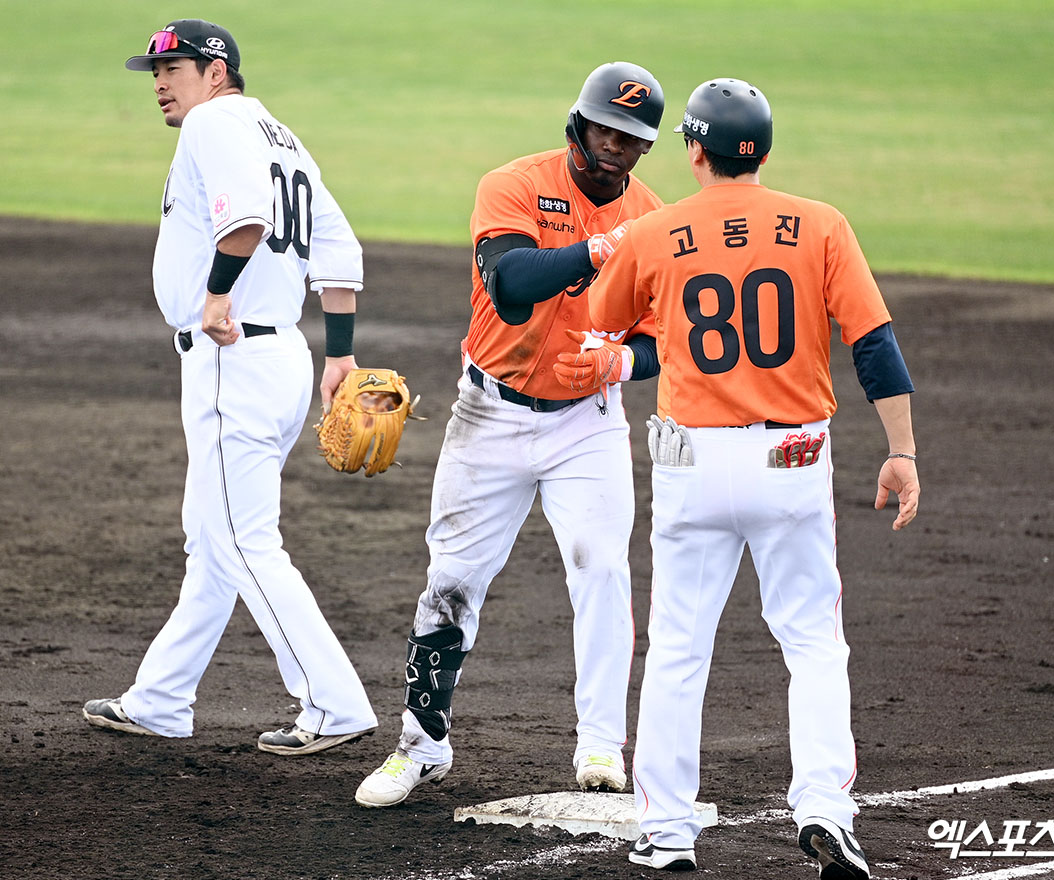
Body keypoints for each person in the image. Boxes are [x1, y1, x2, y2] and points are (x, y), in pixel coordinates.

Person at [576, 79, 920, 876]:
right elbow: (874, 344)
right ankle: (826, 810)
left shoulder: (654, 231)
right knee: (812, 643)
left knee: (677, 649)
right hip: (790, 463)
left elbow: (602, 319)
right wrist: (901, 450)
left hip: (692, 467)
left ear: (694, 151)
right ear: (762, 151)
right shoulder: (821, 225)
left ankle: (667, 832)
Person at [354, 62, 665, 807]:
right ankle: (420, 747)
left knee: (601, 570)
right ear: (578, 126)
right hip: (487, 416)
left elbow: (668, 335)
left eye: (632, 139)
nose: (616, 147)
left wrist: (623, 361)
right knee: (451, 581)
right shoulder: (514, 185)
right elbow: (511, 284)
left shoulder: (656, 219)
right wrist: (598, 251)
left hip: (587, 424)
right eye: (606, 130)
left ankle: (600, 747)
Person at [83, 19, 378, 756]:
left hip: (231, 358)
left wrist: (217, 295)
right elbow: (339, 251)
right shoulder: (282, 138)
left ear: (216, 72)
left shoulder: (214, 124)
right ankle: (160, 700)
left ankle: (333, 703)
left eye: (173, 68)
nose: (159, 83)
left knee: (244, 541)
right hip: (281, 358)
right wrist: (340, 354)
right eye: (154, 71)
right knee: (213, 539)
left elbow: (243, 219)